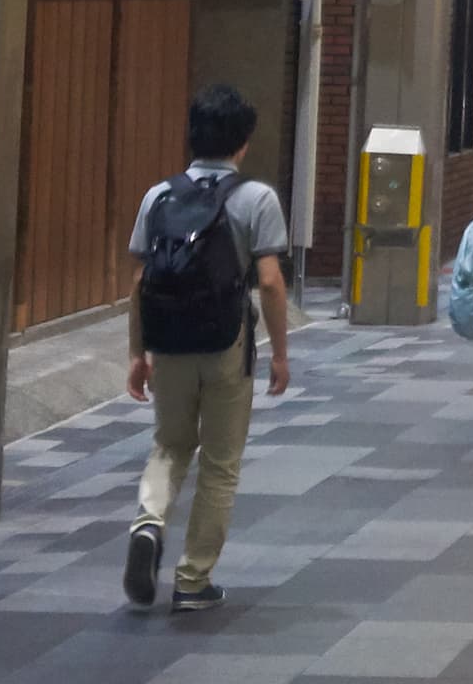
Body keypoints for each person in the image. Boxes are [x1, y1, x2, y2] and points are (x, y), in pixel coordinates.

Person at [122, 85, 293, 612]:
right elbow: (268, 282)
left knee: (170, 444)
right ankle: (193, 580)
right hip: (225, 343)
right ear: (242, 143)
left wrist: (137, 352)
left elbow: (140, 282)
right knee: (220, 463)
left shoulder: (159, 196)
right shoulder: (256, 198)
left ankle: (149, 522)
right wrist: (281, 354)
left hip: (169, 341)